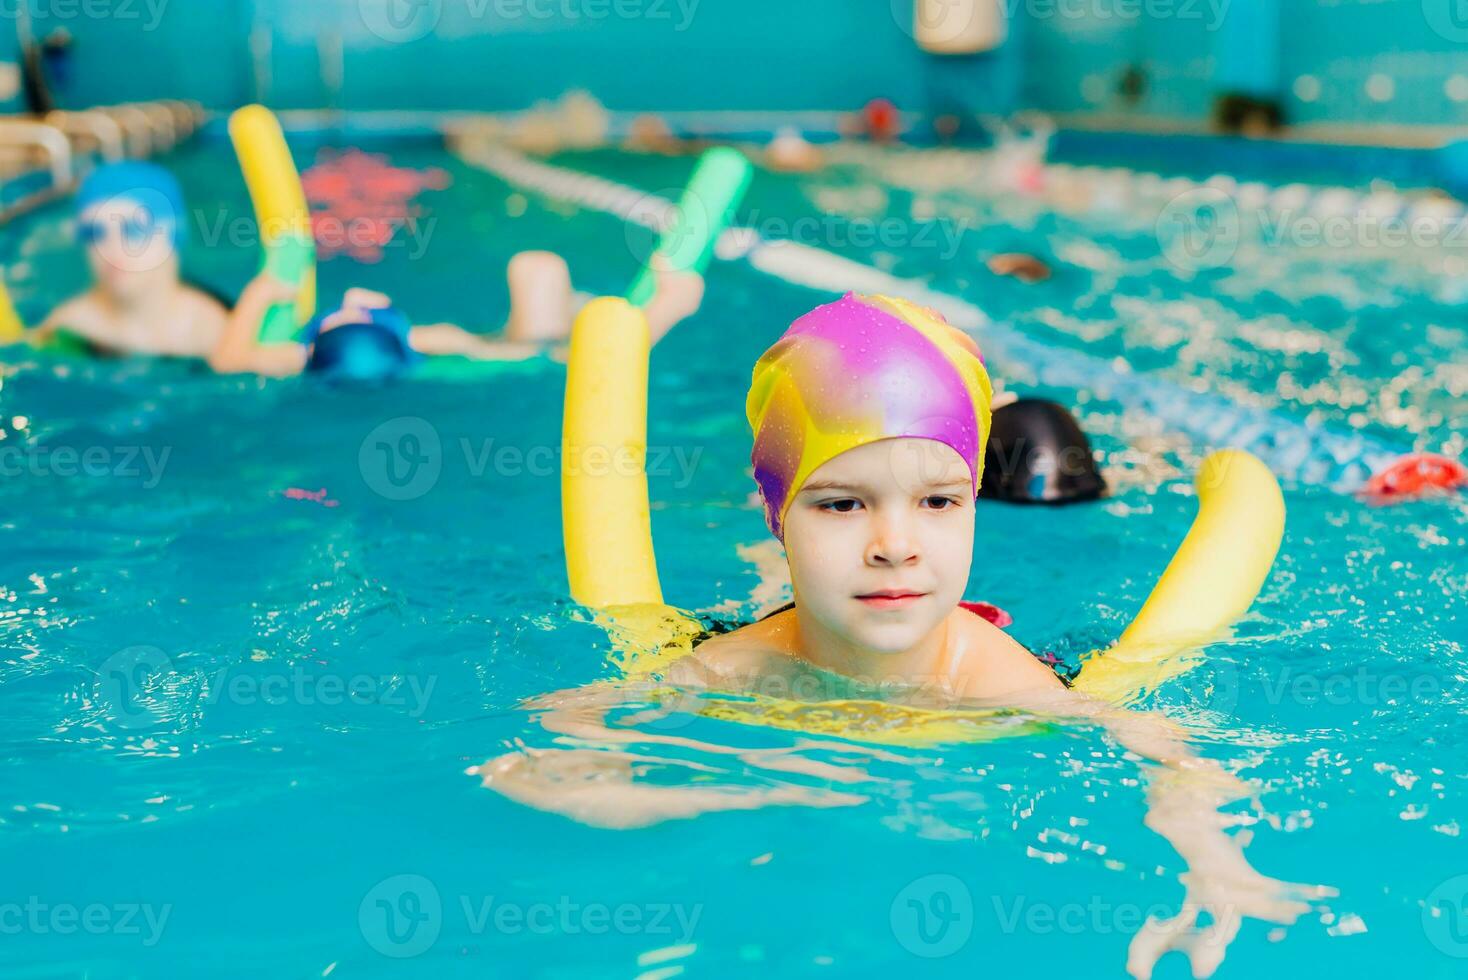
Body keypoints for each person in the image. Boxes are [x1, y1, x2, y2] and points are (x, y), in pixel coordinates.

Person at [478, 293, 1333, 978]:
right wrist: (594, 770)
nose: (897, 543)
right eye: (841, 502)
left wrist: (1209, 852)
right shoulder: (733, 662)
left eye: (938, 501)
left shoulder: (998, 678)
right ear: (782, 515)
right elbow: (560, 731)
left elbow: (1164, 748)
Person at [209, 254, 705, 378]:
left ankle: (576, 302)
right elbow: (566, 364)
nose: (355, 294)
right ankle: (675, 304)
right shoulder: (435, 342)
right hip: (522, 352)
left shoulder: (298, 359)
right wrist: (659, 310)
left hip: (502, 351)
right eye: (356, 310)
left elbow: (229, 361)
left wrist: (261, 292)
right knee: (538, 268)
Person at [34, 163, 231, 357]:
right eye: (96, 234)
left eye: (134, 230)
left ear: (173, 235)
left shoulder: (209, 329)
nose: (112, 249)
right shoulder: (72, 325)